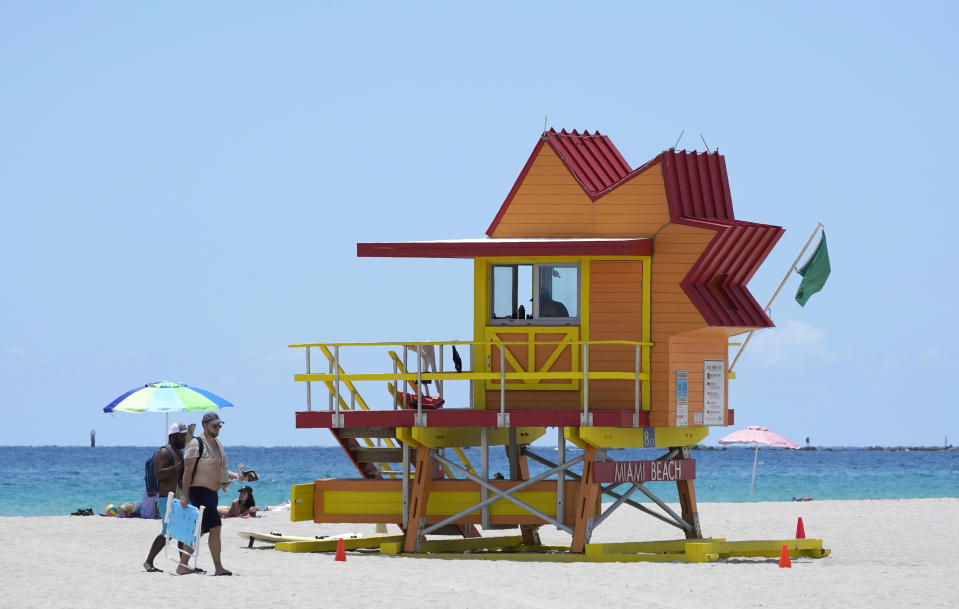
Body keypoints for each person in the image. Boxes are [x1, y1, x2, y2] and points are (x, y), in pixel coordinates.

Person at [179, 412, 233, 576]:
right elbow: (187, 471)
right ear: (204, 425)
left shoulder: (217, 444)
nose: (217, 429)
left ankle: (183, 565)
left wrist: (236, 476)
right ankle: (218, 567)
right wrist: (184, 495)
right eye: (214, 426)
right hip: (199, 491)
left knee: (200, 530)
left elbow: (218, 469)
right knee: (216, 527)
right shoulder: (196, 443)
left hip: (212, 493)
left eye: (219, 426)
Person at [143, 422, 189, 573]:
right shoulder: (164, 452)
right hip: (166, 499)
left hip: (177, 498)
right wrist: (179, 467)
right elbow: (160, 473)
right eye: (182, 436)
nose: (184, 439)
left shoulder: (179, 452)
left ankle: (183, 564)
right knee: (168, 532)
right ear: (173, 436)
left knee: (181, 532)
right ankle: (149, 561)